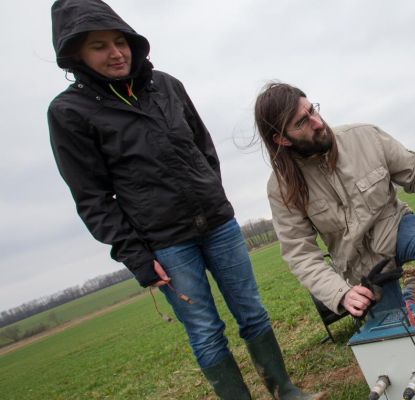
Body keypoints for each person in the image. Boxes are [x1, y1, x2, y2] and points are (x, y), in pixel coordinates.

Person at [47, 2, 324, 399]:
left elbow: (203, 148)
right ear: (75, 53)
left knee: (252, 312)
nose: (116, 53)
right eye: (99, 46)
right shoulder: (69, 112)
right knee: (207, 333)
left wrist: (212, 193)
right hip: (166, 243)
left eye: (119, 41)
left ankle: (285, 391)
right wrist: (136, 256)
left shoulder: (166, 84)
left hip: (218, 225)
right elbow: (92, 198)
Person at [254, 82, 415, 319]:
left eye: (312, 110)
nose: (317, 123)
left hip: (394, 228)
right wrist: (341, 293)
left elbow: (414, 168)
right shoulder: (281, 188)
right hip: (358, 266)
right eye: (301, 122)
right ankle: (410, 296)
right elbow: (300, 253)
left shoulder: (365, 136)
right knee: (394, 334)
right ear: (282, 139)